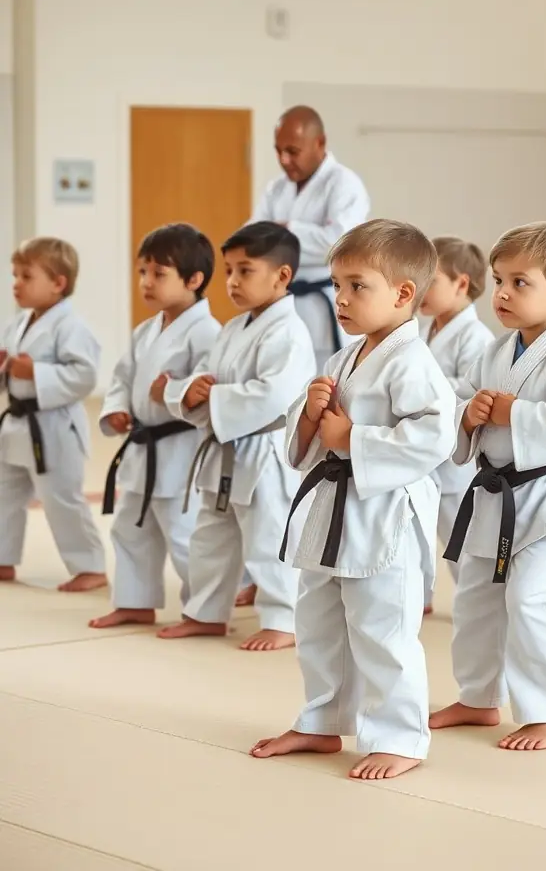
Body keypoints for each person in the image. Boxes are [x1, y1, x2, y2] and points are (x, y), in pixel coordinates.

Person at [250, 219, 456, 779]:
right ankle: (321, 721)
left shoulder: (414, 363)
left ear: (403, 293)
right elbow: (305, 436)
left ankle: (400, 737)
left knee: (382, 629)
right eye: (337, 285)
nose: (340, 298)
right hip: (331, 509)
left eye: (357, 286)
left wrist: (351, 439)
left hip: (382, 514)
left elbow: (436, 437)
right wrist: (312, 416)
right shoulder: (345, 357)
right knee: (318, 621)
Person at [429, 222, 546, 751]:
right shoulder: (495, 351)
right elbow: (461, 401)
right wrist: (469, 415)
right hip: (498, 496)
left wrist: (516, 413)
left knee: (532, 598)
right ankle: (480, 696)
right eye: (498, 281)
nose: (503, 294)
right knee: (476, 598)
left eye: (519, 283)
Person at [158, 222, 315, 651]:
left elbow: (276, 395)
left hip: (264, 451)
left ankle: (283, 619)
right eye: (228, 270)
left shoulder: (289, 332)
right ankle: (205, 611)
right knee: (211, 533)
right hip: (226, 446)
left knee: (269, 536)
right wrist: (187, 391)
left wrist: (215, 397)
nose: (231, 282)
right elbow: (203, 378)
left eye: (245, 271)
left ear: (282, 276)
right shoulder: (233, 328)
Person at [89, 224, 220, 629]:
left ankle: (206, 611)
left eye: (158, 274)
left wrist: (173, 391)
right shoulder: (145, 331)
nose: (146, 283)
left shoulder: (208, 332)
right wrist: (115, 410)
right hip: (143, 446)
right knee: (130, 528)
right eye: (142, 272)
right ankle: (135, 600)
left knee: (184, 535)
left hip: (179, 449)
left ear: (194, 280)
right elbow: (121, 381)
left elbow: (207, 386)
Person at [0, 237, 106, 591]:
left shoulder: (72, 326)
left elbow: (85, 375)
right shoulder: (18, 324)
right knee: (4, 494)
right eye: (15, 275)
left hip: (55, 428)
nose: (16, 283)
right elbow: (10, 366)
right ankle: (3, 558)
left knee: (61, 499)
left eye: (26, 276)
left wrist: (38, 373)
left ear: (58, 283)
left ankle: (90, 566)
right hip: (17, 424)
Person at [250, 106, 370, 374]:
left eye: (292, 151)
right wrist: (296, 233)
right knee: (283, 377)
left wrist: (285, 230)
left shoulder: (343, 184)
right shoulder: (276, 190)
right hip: (282, 301)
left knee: (327, 382)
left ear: (320, 143)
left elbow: (339, 244)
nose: (284, 159)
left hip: (325, 301)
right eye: (278, 151)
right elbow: (253, 242)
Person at [418, 236, 495, 613]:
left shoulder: (476, 337)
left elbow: (470, 393)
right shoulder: (423, 331)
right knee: (412, 533)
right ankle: (417, 597)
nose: (419, 292)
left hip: (453, 460)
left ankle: (479, 605)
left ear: (461, 283)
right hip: (420, 453)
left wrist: (419, 389)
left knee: (458, 540)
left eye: (430, 282)